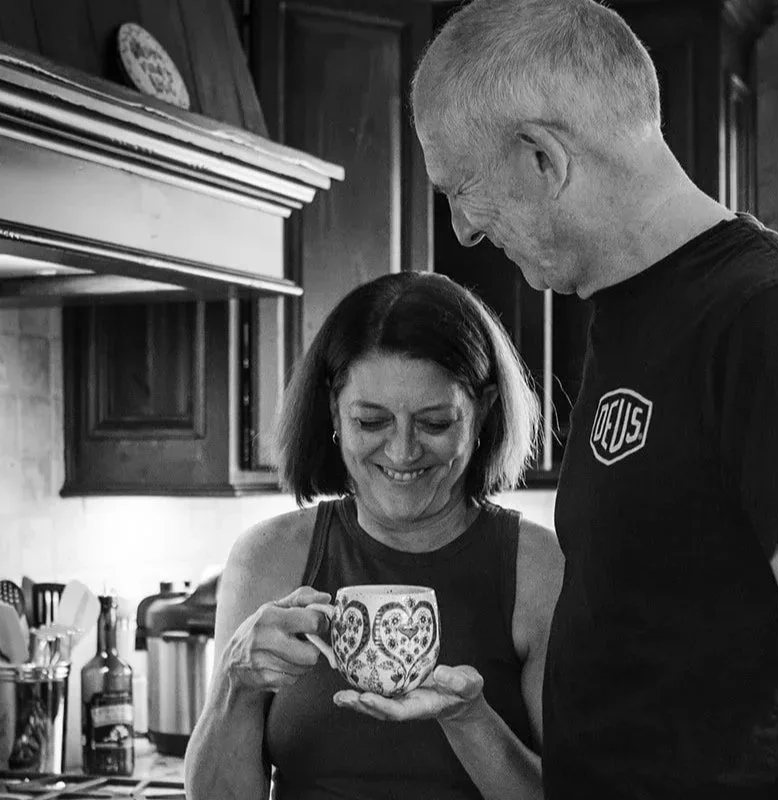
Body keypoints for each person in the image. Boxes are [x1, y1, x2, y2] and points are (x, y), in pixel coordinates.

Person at [411, 1, 778, 799]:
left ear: (540, 157)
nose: (460, 230)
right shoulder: (629, 312)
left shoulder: (770, 315)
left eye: (462, 189)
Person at [185, 271, 563, 800]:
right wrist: (236, 686)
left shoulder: (539, 569)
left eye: (434, 423)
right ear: (334, 412)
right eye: (371, 422)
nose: (403, 452)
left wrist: (469, 719)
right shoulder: (268, 558)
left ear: (483, 412)